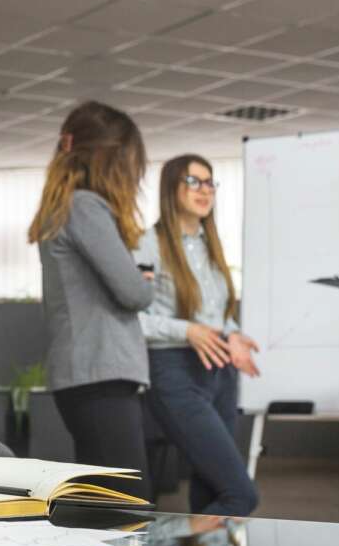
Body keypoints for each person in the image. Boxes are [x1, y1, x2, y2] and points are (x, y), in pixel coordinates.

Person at [28, 100, 154, 499]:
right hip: (100, 373)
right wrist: (145, 277)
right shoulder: (85, 207)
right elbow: (133, 292)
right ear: (111, 160)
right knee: (127, 505)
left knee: (101, 504)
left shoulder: (64, 207)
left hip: (84, 376)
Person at [134, 155, 259, 517]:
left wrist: (232, 334)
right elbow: (131, 320)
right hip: (174, 371)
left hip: (219, 372)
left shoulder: (210, 245)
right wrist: (187, 330)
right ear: (171, 187)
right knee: (241, 495)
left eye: (210, 183)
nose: (205, 190)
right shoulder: (148, 244)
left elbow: (216, 315)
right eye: (194, 181)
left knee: (212, 490)